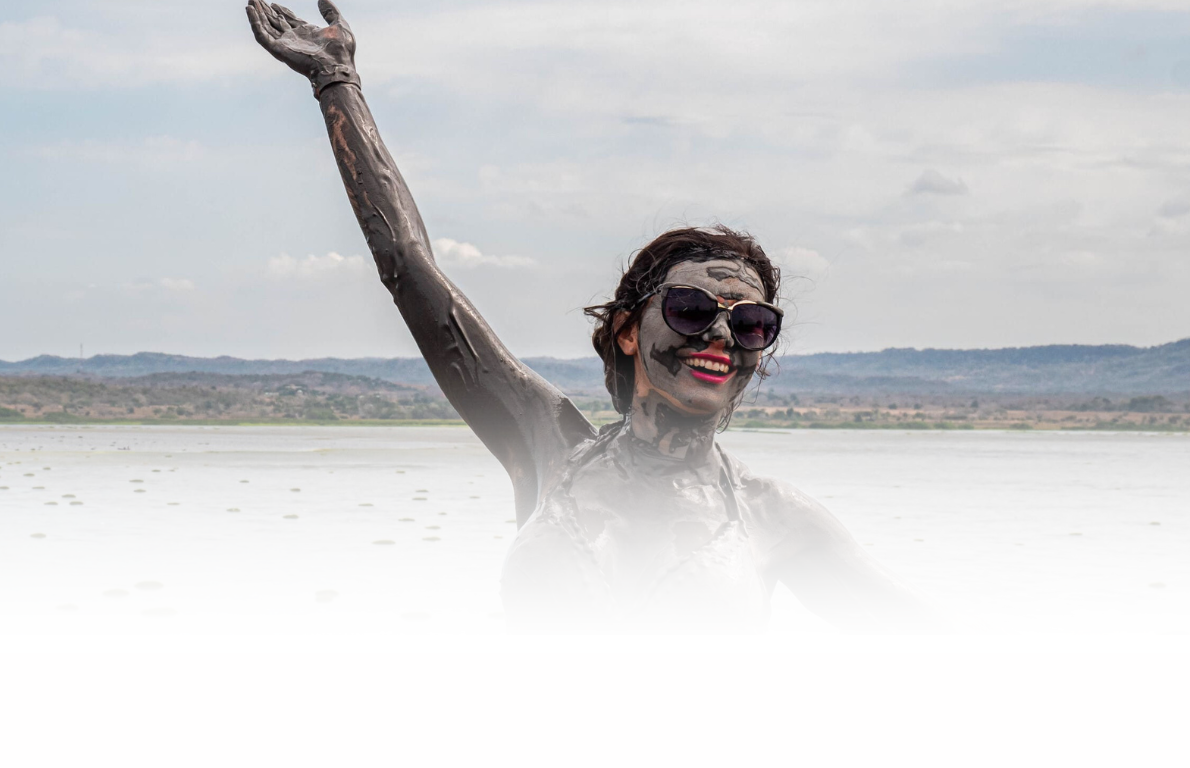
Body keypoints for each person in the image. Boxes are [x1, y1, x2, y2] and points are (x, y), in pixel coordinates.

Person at [246, 0, 938, 631]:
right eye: (692, 308)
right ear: (629, 330)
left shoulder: (776, 518)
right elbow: (407, 264)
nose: (721, 334)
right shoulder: (546, 444)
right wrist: (336, 80)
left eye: (752, 323)